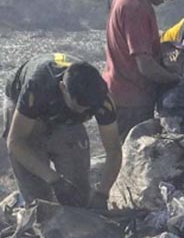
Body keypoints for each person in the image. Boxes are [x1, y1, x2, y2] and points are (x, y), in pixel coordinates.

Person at [5, 54, 121, 207]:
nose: (83, 112)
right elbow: (16, 143)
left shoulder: (101, 99)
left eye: (88, 110)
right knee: (38, 196)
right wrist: (54, 179)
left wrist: (102, 194)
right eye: (78, 107)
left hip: (64, 117)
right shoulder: (37, 87)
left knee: (78, 189)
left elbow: (114, 150)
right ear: (63, 88)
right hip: (26, 109)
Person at [104, 0, 184, 136]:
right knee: (127, 156)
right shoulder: (136, 9)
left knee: (119, 152)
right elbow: (146, 67)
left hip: (119, 90)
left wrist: (162, 44)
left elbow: (134, 41)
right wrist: (177, 78)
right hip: (130, 101)